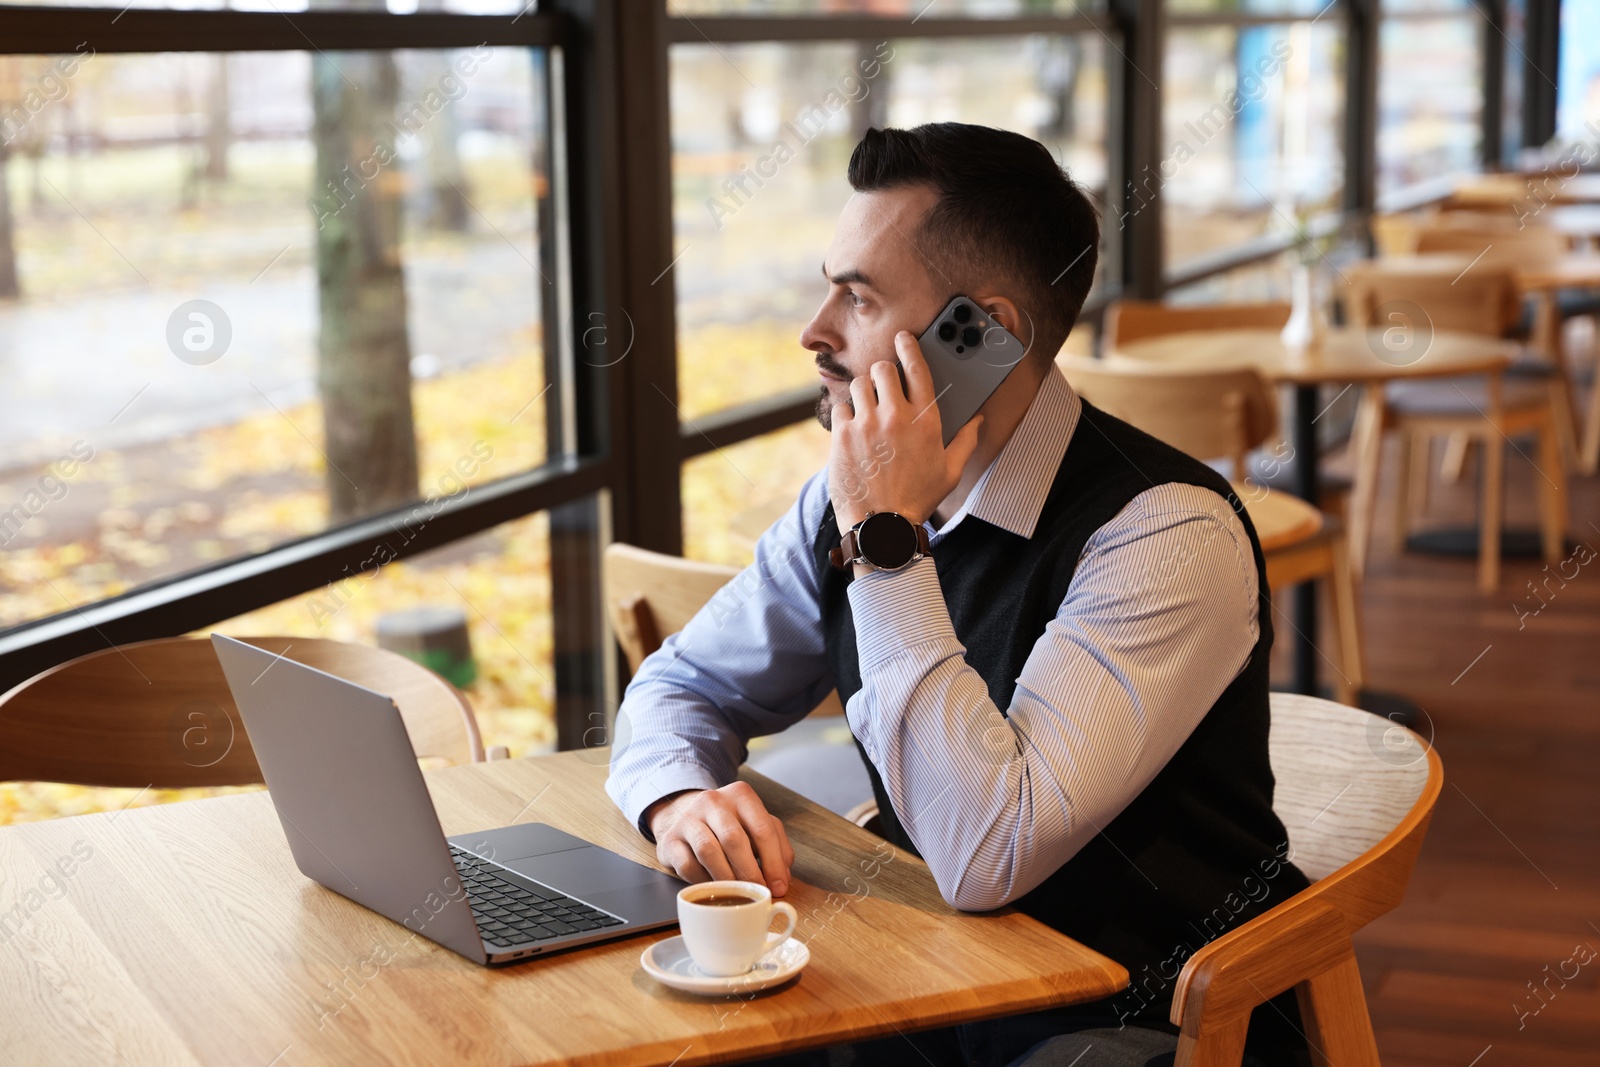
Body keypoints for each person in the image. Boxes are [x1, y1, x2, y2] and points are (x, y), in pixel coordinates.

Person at [606, 122, 1310, 1066]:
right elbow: (675, 688)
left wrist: (888, 546)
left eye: (856, 298)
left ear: (981, 335)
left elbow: (987, 856)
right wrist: (679, 796)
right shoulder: (845, 501)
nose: (814, 333)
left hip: (1137, 1023)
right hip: (932, 982)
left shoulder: (1165, 532)